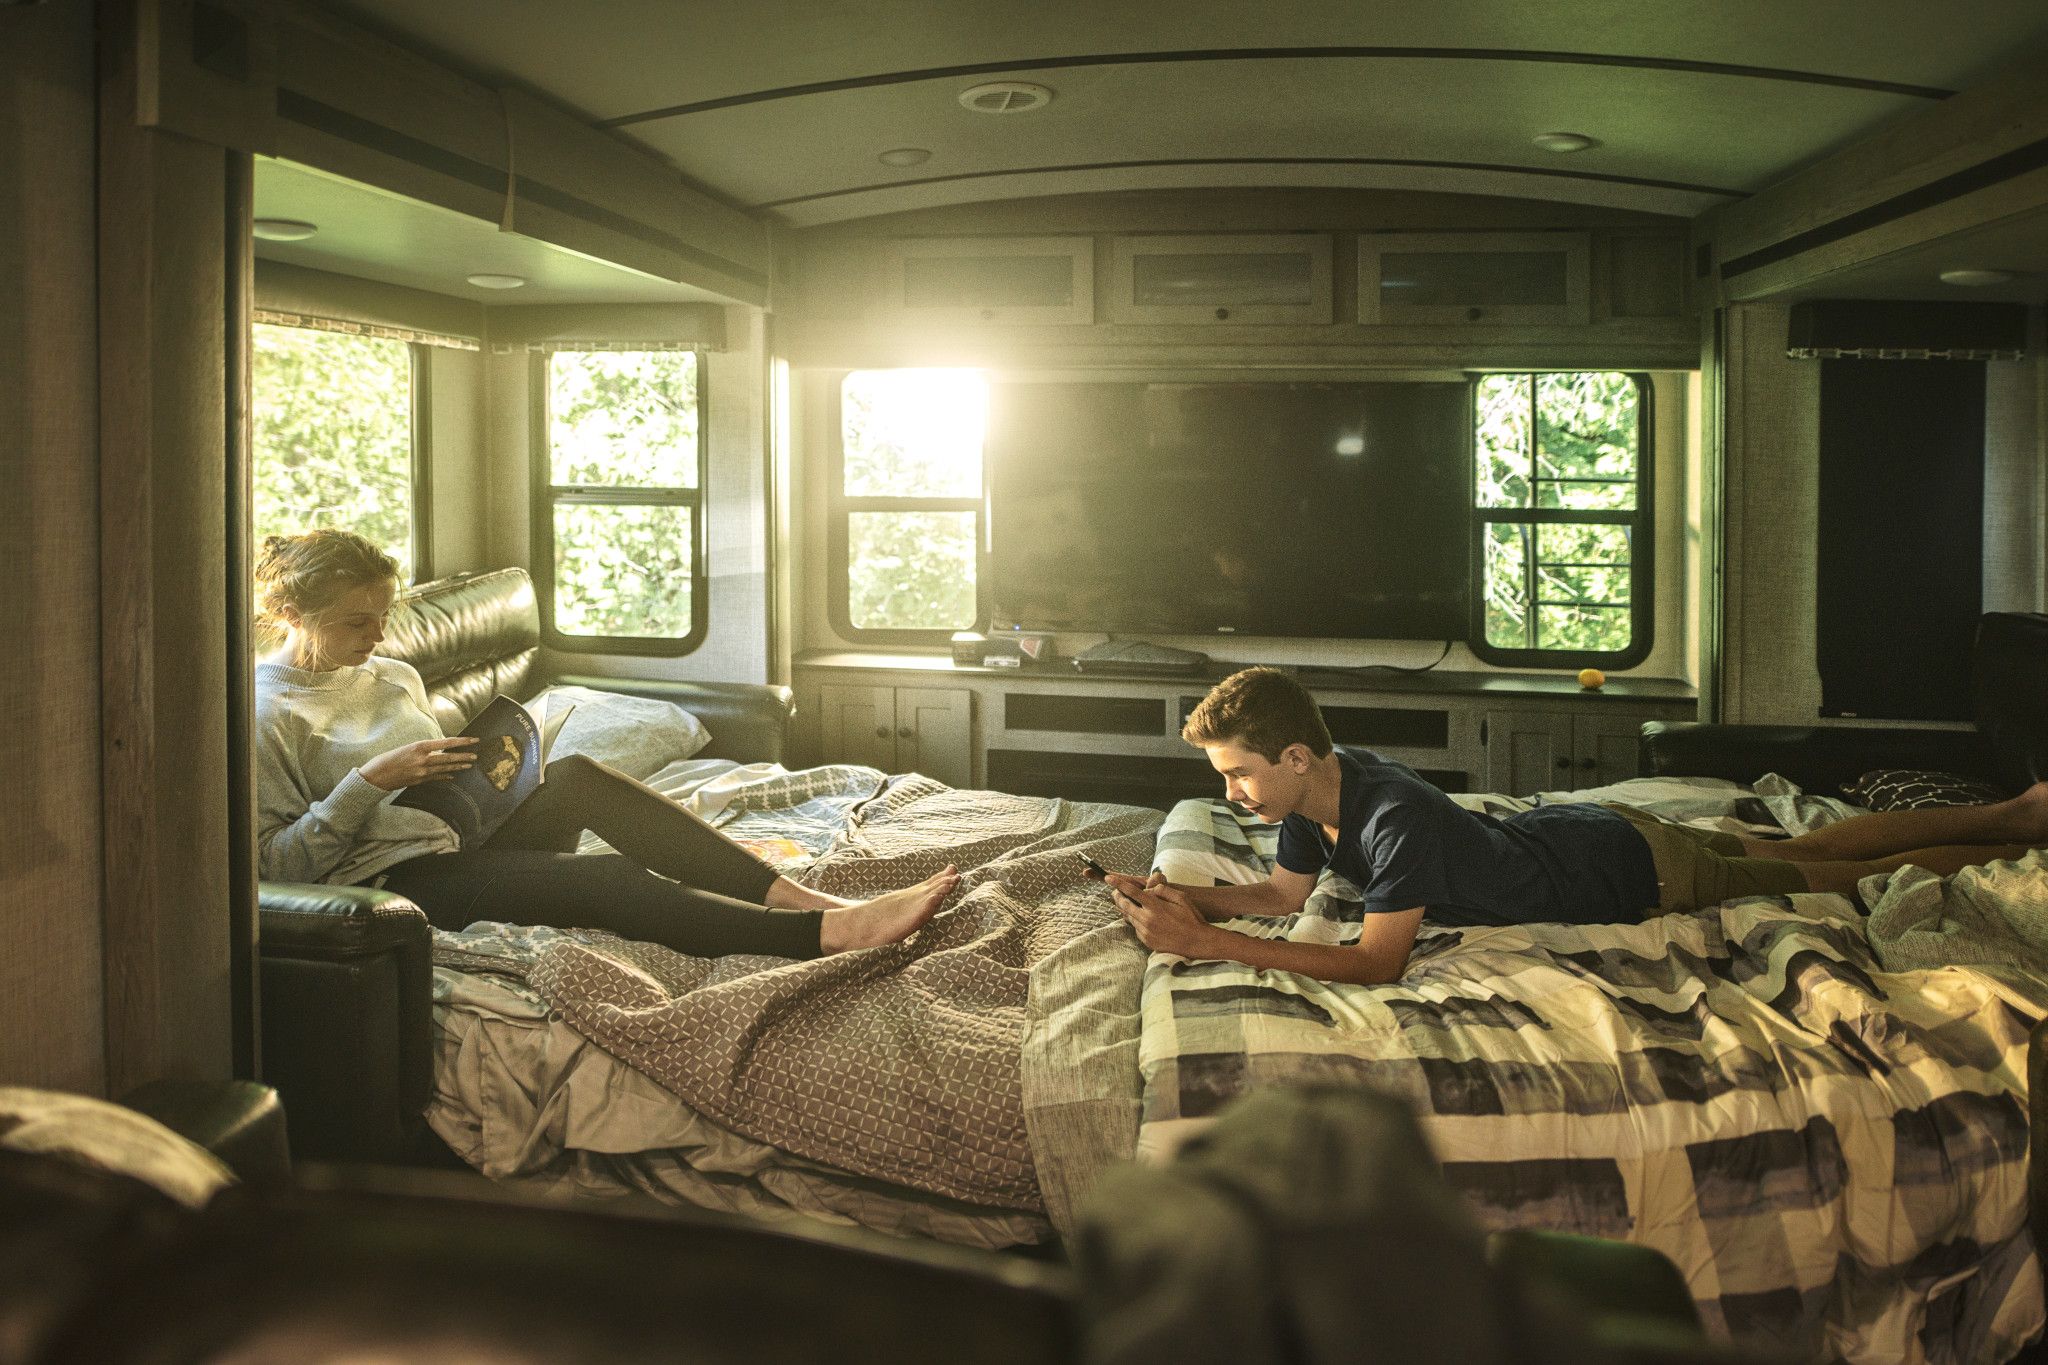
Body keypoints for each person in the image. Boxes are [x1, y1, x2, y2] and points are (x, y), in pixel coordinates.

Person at [1104, 666, 2046, 987]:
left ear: (1295, 756)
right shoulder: (1320, 794)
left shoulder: (1390, 819)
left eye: (1238, 774)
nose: (1232, 793)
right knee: (1798, 846)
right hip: (1594, 828)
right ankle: (2015, 810)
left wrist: (1208, 944)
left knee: (1831, 877)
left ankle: (2014, 842)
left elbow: (1379, 962)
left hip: (1636, 871)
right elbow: (1283, 894)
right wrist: (1182, 897)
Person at [254, 529, 957, 959]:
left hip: (461, 839)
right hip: (393, 884)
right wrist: (369, 782)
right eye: (357, 623)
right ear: (291, 614)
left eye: (384, 617)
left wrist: (498, 773)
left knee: (579, 775)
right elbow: (277, 865)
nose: (378, 637)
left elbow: (438, 785)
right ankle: (822, 938)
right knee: (607, 879)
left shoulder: (392, 674)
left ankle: (803, 899)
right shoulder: (266, 715)